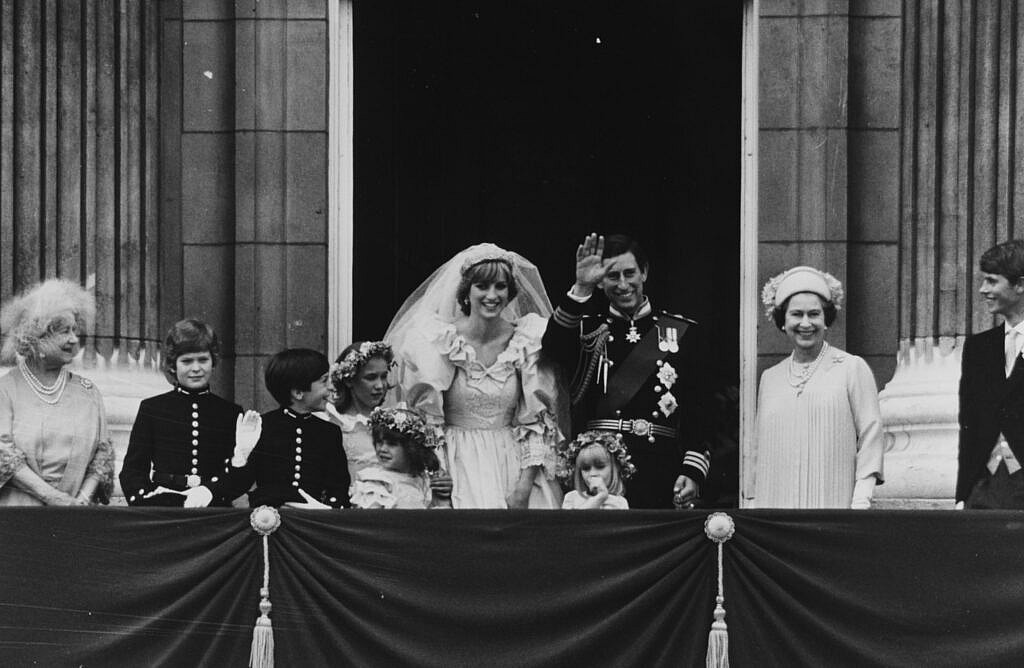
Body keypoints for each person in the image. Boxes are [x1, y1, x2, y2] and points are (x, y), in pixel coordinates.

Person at [386, 243, 563, 509]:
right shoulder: (439, 341)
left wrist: (523, 490)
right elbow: (427, 423)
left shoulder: (527, 339)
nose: (492, 295)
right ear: (466, 292)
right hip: (454, 462)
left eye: (500, 286)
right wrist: (439, 478)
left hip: (512, 463)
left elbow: (536, 422)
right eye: (482, 286)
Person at [541, 233, 710, 509]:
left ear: (644, 272)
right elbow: (552, 347)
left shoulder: (681, 333)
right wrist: (581, 287)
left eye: (629, 273)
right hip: (600, 471)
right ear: (600, 281)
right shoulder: (587, 329)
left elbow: (699, 411)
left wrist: (692, 471)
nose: (622, 284)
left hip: (661, 467)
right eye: (612, 276)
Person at [750, 266, 884, 509]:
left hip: (834, 504)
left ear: (826, 319)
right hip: (776, 505)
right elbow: (760, 452)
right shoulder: (770, 378)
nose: (805, 323)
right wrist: (754, 505)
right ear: (782, 321)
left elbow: (871, 436)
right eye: (796, 314)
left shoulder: (851, 368)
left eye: (814, 314)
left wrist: (861, 498)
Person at [120, 319, 261, 507]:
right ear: (172, 365)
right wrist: (148, 499)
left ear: (213, 362)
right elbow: (133, 470)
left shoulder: (230, 413)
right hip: (164, 507)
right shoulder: (153, 408)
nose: (196, 368)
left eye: (203, 360)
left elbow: (241, 477)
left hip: (213, 507)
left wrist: (211, 491)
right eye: (186, 361)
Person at [0, 279, 114, 506]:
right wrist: (51, 497)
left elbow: (103, 456)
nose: (74, 339)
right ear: (36, 338)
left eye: (75, 330)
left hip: (75, 515)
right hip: (18, 515)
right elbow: (2, 454)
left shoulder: (88, 393)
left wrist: (80, 501)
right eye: (64, 331)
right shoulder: (5, 389)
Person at [326, 340, 453, 502]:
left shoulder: (399, 421)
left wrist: (440, 483)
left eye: (384, 376)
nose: (380, 385)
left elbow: (423, 466)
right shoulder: (336, 424)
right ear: (349, 380)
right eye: (370, 378)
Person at [957, 239, 1024, 509]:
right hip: (984, 488)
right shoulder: (978, 347)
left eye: (992, 281)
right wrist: (963, 495)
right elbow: (968, 426)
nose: (983, 290)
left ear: (1020, 284)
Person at [239, 348, 350, 509]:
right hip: (269, 520)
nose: (331, 387)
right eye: (324, 381)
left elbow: (338, 488)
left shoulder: (329, 433)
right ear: (298, 393)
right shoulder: (262, 427)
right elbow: (241, 483)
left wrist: (326, 509)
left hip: (313, 522)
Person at [350, 406, 451, 509]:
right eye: (379, 442)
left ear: (411, 448)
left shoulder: (425, 479)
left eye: (392, 444)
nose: (382, 449)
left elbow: (438, 518)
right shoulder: (378, 482)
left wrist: (441, 499)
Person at [557, 430, 633, 509]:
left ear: (614, 469)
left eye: (600, 467)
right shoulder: (572, 498)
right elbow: (575, 520)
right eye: (586, 469)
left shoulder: (619, 502)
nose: (593, 473)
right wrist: (600, 498)